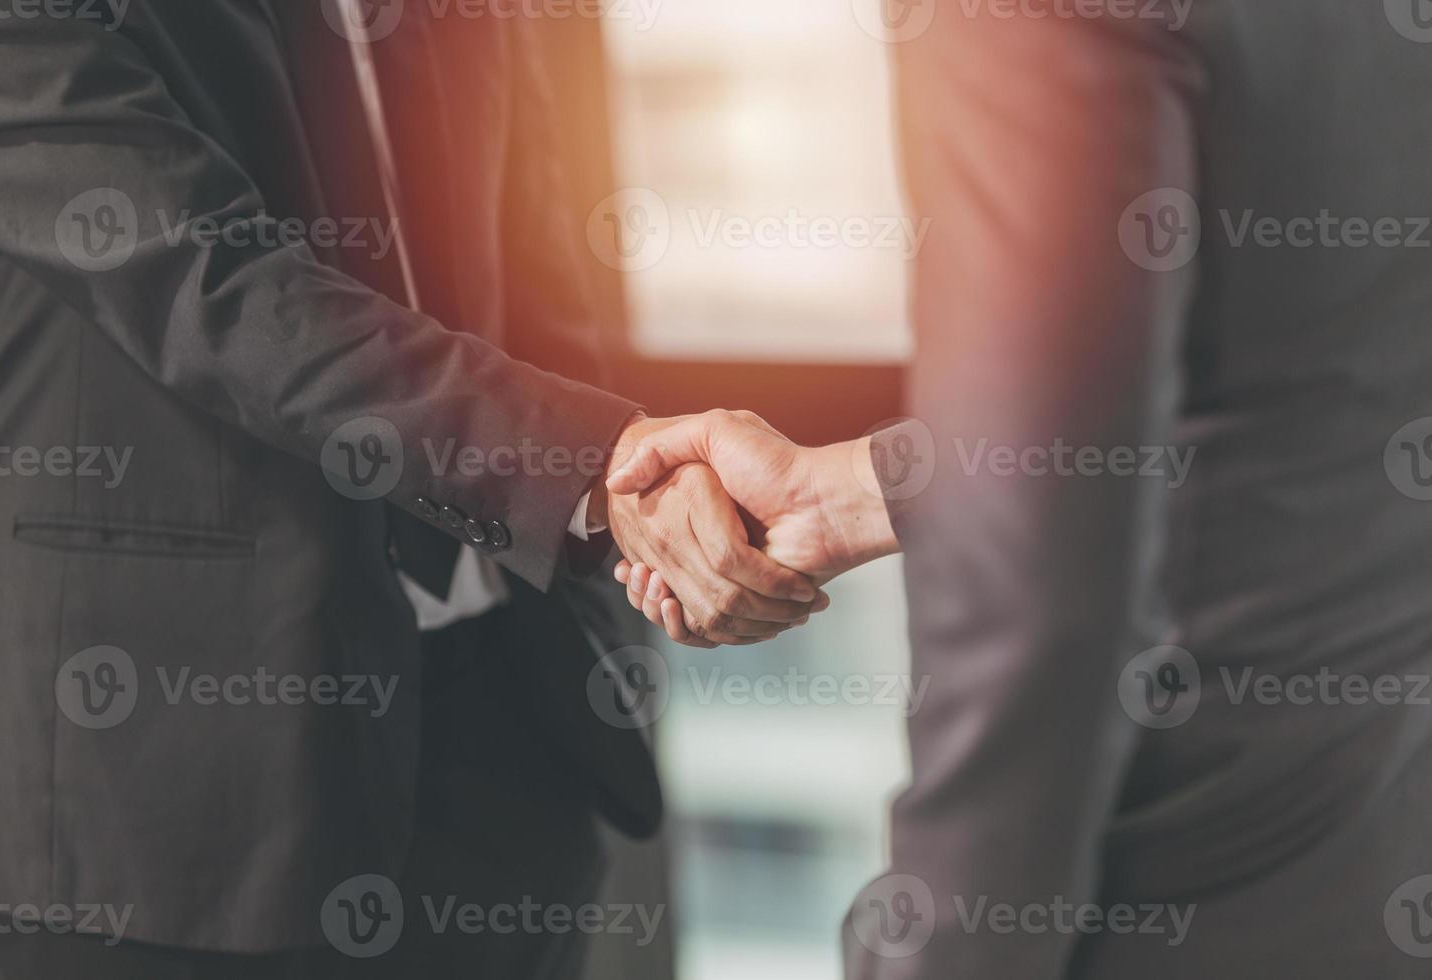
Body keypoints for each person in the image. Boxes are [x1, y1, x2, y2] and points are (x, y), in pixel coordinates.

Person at [0, 2, 819, 977]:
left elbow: (544, 284)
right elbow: (222, 288)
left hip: (505, 746)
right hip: (167, 793)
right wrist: (593, 468)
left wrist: (636, 504)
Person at [608, 3, 1432, 977]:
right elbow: (1291, 363)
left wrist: (938, 948)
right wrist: (855, 489)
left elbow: (1040, 612)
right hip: (1368, 856)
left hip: (1154, 897)